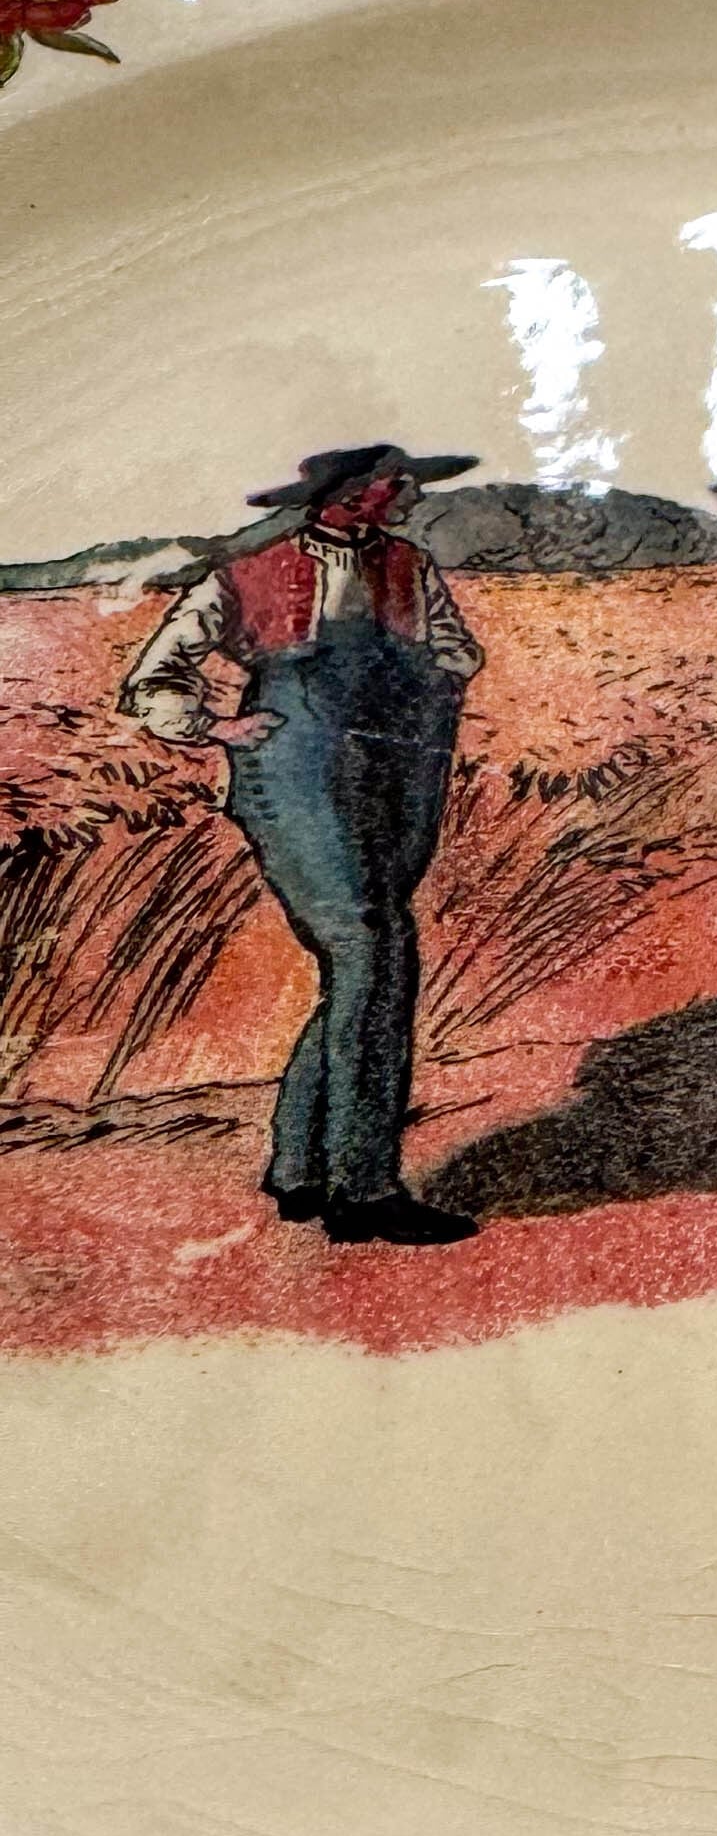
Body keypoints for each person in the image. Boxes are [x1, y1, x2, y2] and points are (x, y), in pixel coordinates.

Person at [119, 442, 485, 1245]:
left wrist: (426, 692)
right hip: (296, 781)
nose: (408, 493)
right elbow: (155, 678)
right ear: (350, 494)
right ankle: (364, 1188)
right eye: (395, 482)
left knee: (363, 968)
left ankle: (298, 1167)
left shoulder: (408, 566)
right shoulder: (248, 572)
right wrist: (217, 727)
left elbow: (458, 650)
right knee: (375, 951)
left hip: (396, 777)